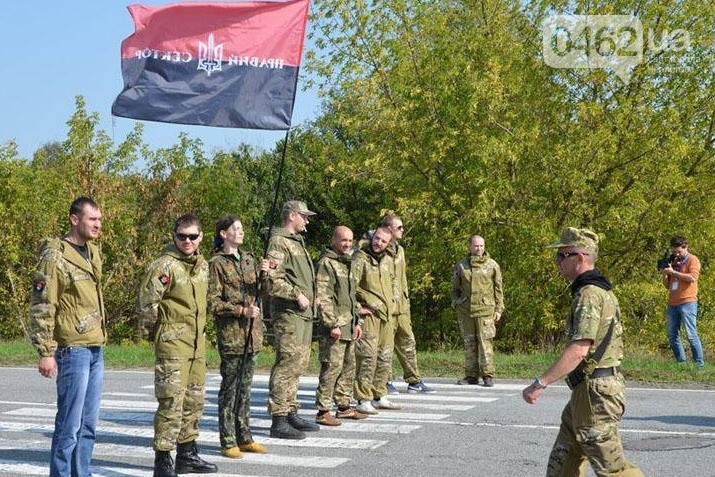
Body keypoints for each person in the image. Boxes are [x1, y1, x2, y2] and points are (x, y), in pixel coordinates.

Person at [522, 227, 644, 477]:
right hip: (587, 390)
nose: (557, 262)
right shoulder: (598, 290)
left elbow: (579, 349)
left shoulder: (589, 295)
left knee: (612, 469)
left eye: (562, 255)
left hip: (595, 394)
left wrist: (540, 383)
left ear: (580, 257)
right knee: (564, 457)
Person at [28, 197, 106, 477]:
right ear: (75, 219)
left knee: (88, 427)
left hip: (95, 346)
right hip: (72, 349)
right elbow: (43, 304)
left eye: (99, 219)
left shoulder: (92, 252)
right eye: (92, 219)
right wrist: (46, 351)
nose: (98, 224)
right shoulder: (55, 255)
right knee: (69, 427)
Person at [137, 214, 217, 477]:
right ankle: (163, 461)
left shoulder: (202, 266)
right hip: (173, 346)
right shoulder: (164, 266)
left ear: (201, 237)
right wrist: (159, 336)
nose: (187, 241)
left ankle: (187, 453)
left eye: (193, 236)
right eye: (182, 236)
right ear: (174, 236)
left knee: (194, 401)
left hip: (197, 346)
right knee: (171, 403)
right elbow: (147, 306)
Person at [208, 216, 270, 458]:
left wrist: (265, 275)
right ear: (223, 233)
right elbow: (213, 302)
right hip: (232, 336)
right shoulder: (217, 263)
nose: (240, 232)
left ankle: (245, 436)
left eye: (242, 228)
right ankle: (227, 439)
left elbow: (263, 292)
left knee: (245, 389)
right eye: (235, 228)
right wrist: (241, 310)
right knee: (230, 389)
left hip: (252, 335)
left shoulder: (248, 259)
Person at [266, 200, 320, 439]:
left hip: (303, 315)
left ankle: (290, 411)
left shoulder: (296, 242)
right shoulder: (279, 242)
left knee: (299, 364)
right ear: (292, 216)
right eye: (304, 216)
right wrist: (296, 294)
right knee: (287, 364)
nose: (307, 221)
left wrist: (312, 297)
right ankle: (278, 418)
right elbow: (272, 280)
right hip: (288, 313)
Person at [314, 226, 370, 426]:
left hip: (349, 325)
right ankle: (322, 410)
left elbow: (351, 297)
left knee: (348, 367)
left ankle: (344, 407)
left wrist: (357, 322)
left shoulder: (347, 263)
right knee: (331, 368)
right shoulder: (327, 263)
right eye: (343, 240)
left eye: (350, 240)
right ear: (334, 240)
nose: (347, 244)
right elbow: (323, 297)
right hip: (335, 328)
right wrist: (331, 324)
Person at [381, 214, 434, 394]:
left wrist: (406, 302)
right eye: (399, 227)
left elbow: (402, 278)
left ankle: (414, 380)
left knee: (408, 342)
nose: (403, 230)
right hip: (386, 307)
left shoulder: (400, 250)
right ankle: (384, 381)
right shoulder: (376, 249)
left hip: (402, 306)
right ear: (389, 229)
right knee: (385, 345)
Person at [353, 226, 403, 414]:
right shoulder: (360, 258)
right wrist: (362, 306)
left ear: (388, 243)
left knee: (385, 356)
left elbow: (394, 281)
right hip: (370, 315)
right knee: (367, 357)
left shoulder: (389, 260)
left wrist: (395, 300)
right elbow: (351, 285)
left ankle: (379, 395)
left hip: (387, 315)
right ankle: (362, 398)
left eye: (383, 241)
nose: (378, 243)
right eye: (377, 238)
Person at [450, 235, 504, 387]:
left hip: (485, 310)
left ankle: (488, 375)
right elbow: (454, 289)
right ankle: (471, 376)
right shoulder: (461, 265)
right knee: (469, 344)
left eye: (481, 246)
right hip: (466, 311)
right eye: (476, 246)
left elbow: (498, 289)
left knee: (485, 343)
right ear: (470, 247)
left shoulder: (492, 265)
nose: (479, 249)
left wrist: (499, 308)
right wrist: (457, 303)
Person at [661, 236, 704, 367]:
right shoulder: (674, 261)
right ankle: (681, 363)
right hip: (673, 302)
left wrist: (674, 272)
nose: (677, 254)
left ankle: (699, 364)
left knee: (691, 334)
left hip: (688, 301)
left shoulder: (692, 260)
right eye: (675, 252)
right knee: (672, 335)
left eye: (679, 252)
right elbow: (667, 285)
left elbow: (692, 278)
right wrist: (665, 273)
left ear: (686, 247)